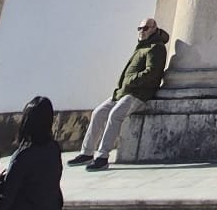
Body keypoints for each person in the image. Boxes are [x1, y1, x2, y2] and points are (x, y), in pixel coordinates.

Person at [69, 17, 169, 171]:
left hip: (138, 94)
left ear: (154, 28)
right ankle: (87, 153)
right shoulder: (142, 46)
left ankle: (102, 156)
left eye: (146, 28)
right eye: (140, 28)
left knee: (115, 115)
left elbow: (152, 73)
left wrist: (130, 81)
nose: (142, 31)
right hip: (123, 92)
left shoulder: (156, 47)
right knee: (98, 113)